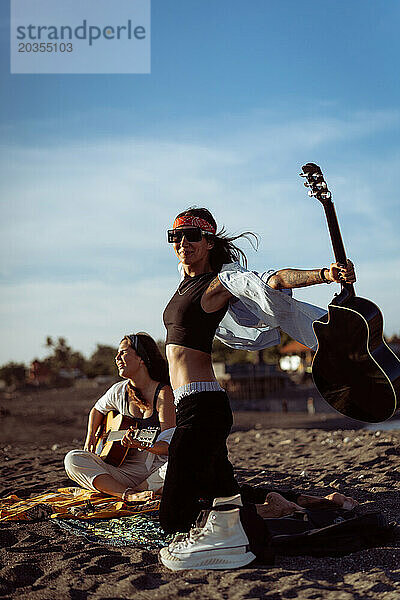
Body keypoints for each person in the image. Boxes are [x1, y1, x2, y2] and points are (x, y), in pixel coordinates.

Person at [159, 207, 356, 570]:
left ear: (209, 242)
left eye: (192, 236)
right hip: (193, 403)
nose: (183, 243)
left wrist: (325, 274)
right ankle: (294, 506)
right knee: (220, 491)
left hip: (204, 405)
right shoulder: (183, 283)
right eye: (176, 237)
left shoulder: (218, 284)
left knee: (175, 504)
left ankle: (219, 542)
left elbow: (273, 281)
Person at [64, 333, 176, 502]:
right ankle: (129, 494)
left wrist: (142, 445)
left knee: (182, 461)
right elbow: (97, 410)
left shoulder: (163, 394)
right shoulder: (119, 390)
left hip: (153, 472)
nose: (117, 358)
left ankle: (131, 490)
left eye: (123, 352)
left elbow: (167, 447)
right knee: (72, 459)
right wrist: (91, 438)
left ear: (141, 358)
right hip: (120, 471)